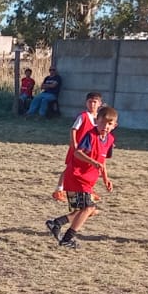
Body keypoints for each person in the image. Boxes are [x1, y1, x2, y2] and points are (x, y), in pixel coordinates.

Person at [45, 106, 117, 249]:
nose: (105, 127)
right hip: (77, 176)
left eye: (109, 124)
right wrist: (92, 161)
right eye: (102, 123)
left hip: (88, 180)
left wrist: (106, 179)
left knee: (86, 211)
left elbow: (103, 161)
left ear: (115, 126)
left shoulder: (109, 140)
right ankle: (67, 238)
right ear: (97, 121)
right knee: (89, 208)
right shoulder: (90, 136)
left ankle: (57, 223)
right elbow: (77, 153)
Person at [52, 92, 104, 202]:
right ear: (86, 103)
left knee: (90, 170)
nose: (92, 104)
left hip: (90, 150)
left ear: (100, 104)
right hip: (79, 149)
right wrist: (74, 142)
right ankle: (59, 190)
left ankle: (89, 191)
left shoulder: (100, 119)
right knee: (69, 169)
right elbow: (73, 129)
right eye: (90, 102)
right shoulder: (83, 116)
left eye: (95, 102)